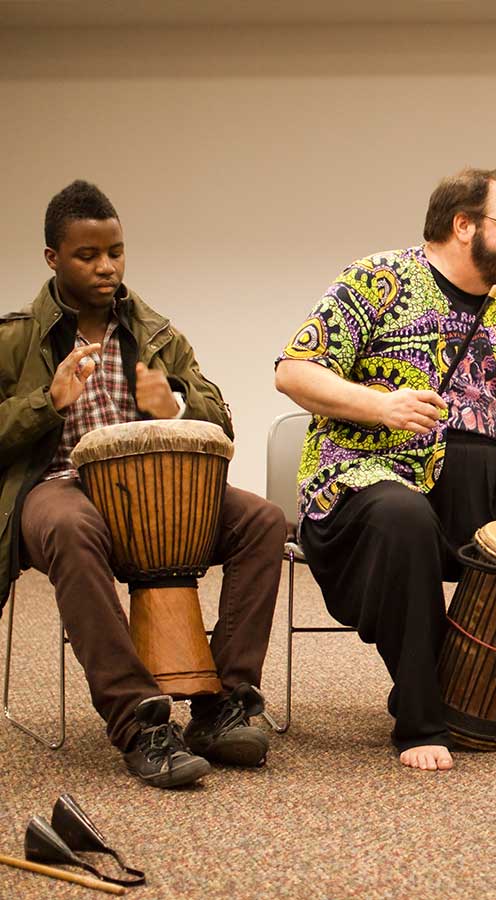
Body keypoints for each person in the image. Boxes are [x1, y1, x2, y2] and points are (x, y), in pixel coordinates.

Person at [275, 167, 496, 771]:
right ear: (464, 226)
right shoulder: (375, 280)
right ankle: (421, 716)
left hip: (479, 483)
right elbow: (293, 370)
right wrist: (380, 405)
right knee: (401, 515)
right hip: (369, 473)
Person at [0, 181, 286, 788]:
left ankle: (223, 701)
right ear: (53, 258)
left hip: (158, 490)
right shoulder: (16, 336)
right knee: (75, 529)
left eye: (116, 252)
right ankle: (139, 723)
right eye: (87, 255)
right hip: (57, 488)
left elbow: (221, 421)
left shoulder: (155, 332)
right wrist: (45, 404)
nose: (106, 267)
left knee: (261, 520)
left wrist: (177, 405)